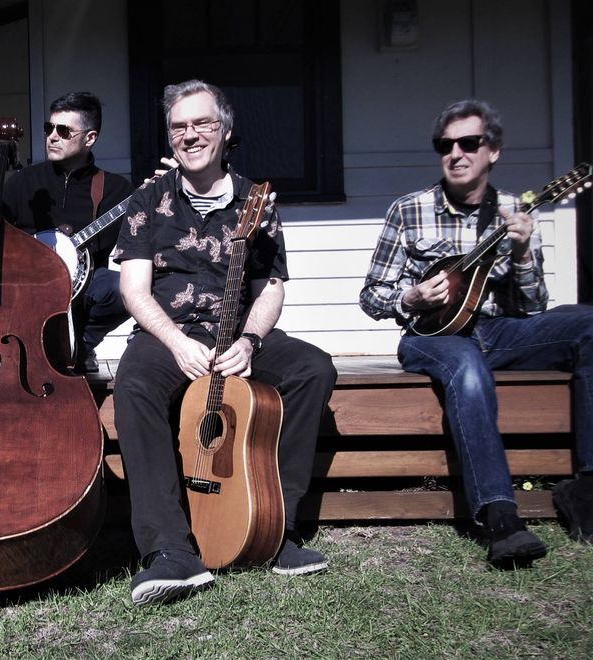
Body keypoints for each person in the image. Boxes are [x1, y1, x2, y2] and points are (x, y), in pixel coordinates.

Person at [112, 80, 337, 606]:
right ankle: (170, 550)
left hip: (237, 332)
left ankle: (277, 528)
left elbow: (271, 286)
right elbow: (133, 289)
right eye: (179, 126)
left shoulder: (258, 201)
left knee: (313, 369)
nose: (190, 135)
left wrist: (252, 341)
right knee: (134, 384)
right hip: (169, 334)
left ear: (226, 131)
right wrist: (174, 342)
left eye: (202, 124)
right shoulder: (148, 199)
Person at [360, 99, 593, 567]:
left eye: (470, 142)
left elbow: (532, 307)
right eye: (445, 145)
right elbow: (371, 296)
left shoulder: (514, 212)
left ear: (494, 151)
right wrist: (410, 298)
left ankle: (586, 486)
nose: (456, 153)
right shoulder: (409, 210)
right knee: (466, 367)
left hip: (501, 330)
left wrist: (524, 251)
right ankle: (500, 516)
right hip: (432, 337)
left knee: (587, 322)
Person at [2, 92, 133, 372]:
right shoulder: (24, 181)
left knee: (123, 287)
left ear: (90, 138)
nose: (52, 136)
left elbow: (140, 245)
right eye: (49, 128)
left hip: (83, 292)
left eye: (64, 131)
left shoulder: (116, 190)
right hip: (26, 289)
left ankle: (80, 346)